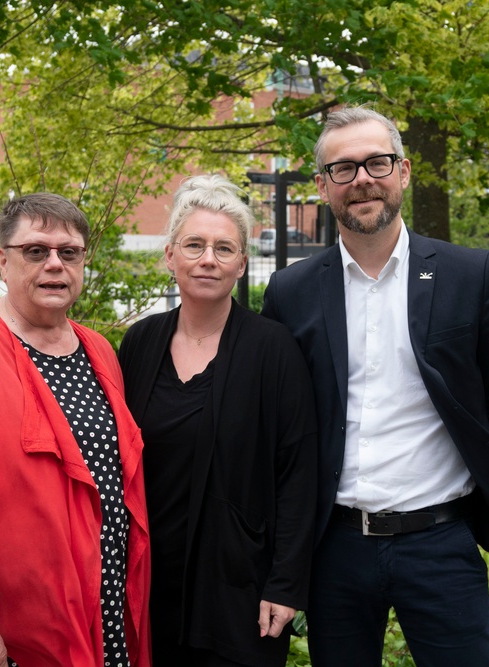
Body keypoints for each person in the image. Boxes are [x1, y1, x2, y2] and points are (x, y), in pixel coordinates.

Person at [261, 107, 489, 667]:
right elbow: (283, 422)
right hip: (334, 547)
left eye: (376, 162)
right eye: (342, 169)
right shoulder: (289, 292)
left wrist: (471, 472)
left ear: (404, 171)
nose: (362, 179)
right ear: (322, 186)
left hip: (439, 541)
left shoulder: (472, 274)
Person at [0, 193, 151, 667]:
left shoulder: (99, 351)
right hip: (29, 628)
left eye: (69, 252)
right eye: (36, 251)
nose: (55, 265)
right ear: (3, 261)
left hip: (111, 607)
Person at [117, 174, 317, 667]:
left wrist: (286, 583)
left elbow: (300, 473)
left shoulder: (274, 349)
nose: (209, 259)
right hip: (150, 582)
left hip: (238, 590)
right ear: (170, 255)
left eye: (224, 248)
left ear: (242, 263)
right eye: (195, 245)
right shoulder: (140, 344)